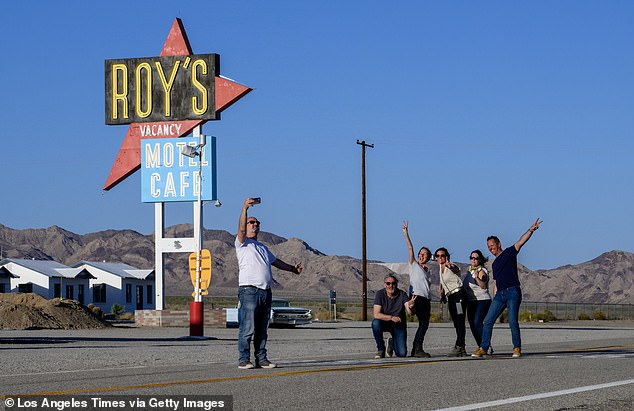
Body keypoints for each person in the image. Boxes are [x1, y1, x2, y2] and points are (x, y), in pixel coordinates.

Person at [235, 197, 303, 370]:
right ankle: (244, 359)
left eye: (257, 223)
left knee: (262, 328)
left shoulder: (262, 247)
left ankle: (261, 358)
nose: (255, 225)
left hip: (265, 291)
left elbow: (276, 261)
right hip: (249, 291)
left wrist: (292, 269)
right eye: (252, 222)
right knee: (247, 327)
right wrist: (245, 209)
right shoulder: (242, 243)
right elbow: (241, 229)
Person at [472, 218, 543, 359]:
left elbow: (521, 241)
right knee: (488, 321)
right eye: (488, 247)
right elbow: (496, 282)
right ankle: (483, 348)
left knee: (512, 321)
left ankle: (516, 347)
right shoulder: (494, 264)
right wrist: (494, 297)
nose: (490, 248)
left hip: (513, 292)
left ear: (499, 244)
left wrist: (531, 230)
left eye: (492, 245)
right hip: (500, 294)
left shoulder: (510, 252)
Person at [401, 220, 432, 358]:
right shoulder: (414, 265)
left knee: (424, 324)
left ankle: (417, 348)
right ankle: (417, 348)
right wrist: (406, 234)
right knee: (423, 323)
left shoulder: (428, 271)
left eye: (424, 254)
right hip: (416, 296)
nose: (421, 255)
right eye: (420, 253)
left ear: (428, 257)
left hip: (426, 298)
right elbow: (410, 249)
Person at [372, 274, 414, 358]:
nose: (391, 286)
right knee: (375, 323)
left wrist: (411, 307)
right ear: (385, 285)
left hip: (398, 325)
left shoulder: (402, 294)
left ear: (396, 284)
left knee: (401, 354)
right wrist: (391, 317)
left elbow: (410, 312)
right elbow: (376, 314)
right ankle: (381, 349)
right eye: (388, 283)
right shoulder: (380, 294)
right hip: (384, 322)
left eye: (393, 283)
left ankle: (391, 343)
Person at [436, 247, 467, 357]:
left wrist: (450, 265)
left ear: (447, 256)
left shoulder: (451, 265)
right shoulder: (440, 268)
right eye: (438, 256)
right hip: (451, 297)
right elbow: (442, 283)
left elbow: (456, 269)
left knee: (460, 320)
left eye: (442, 255)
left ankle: (459, 345)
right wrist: (442, 294)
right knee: (455, 321)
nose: (440, 258)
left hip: (458, 295)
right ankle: (461, 347)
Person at [463, 249, 491, 349]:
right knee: (472, 324)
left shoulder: (481, 271)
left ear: (480, 260)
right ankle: (481, 345)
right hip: (471, 301)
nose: (473, 260)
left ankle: (486, 345)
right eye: (472, 258)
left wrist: (477, 278)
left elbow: (483, 285)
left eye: (476, 258)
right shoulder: (469, 271)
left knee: (477, 322)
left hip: (482, 300)